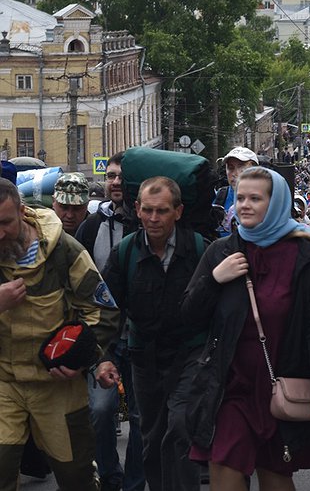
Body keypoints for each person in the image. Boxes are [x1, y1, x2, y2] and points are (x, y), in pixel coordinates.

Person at [183, 167, 310, 491]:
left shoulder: (306, 255)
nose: (245, 205)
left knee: (276, 476)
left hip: (281, 386)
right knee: (223, 466)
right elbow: (188, 317)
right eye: (240, 198)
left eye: (256, 198)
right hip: (230, 387)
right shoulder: (221, 251)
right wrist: (214, 280)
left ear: (277, 202)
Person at [0, 178, 119, 490]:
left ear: (22, 212)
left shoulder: (63, 251)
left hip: (56, 386)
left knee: (75, 476)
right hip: (4, 384)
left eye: (5, 223)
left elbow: (103, 310)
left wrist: (84, 359)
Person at [98, 177, 209, 491]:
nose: (153, 218)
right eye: (147, 210)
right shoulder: (125, 254)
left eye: (162, 211)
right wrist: (104, 358)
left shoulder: (199, 249)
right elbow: (108, 311)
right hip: (145, 359)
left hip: (190, 356)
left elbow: (217, 307)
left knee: (181, 427)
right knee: (152, 436)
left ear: (178, 211)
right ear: (137, 208)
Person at [75, 152, 145, 491]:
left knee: (140, 418)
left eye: (122, 176)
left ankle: (133, 481)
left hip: (142, 337)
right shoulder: (93, 225)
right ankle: (110, 476)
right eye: (111, 176)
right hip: (103, 337)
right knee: (101, 411)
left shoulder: (151, 221)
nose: (115, 182)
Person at [215, 147, 260, 237]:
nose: (235, 173)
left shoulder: (267, 198)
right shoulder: (220, 196)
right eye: (230, 168)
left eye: (241, 167)